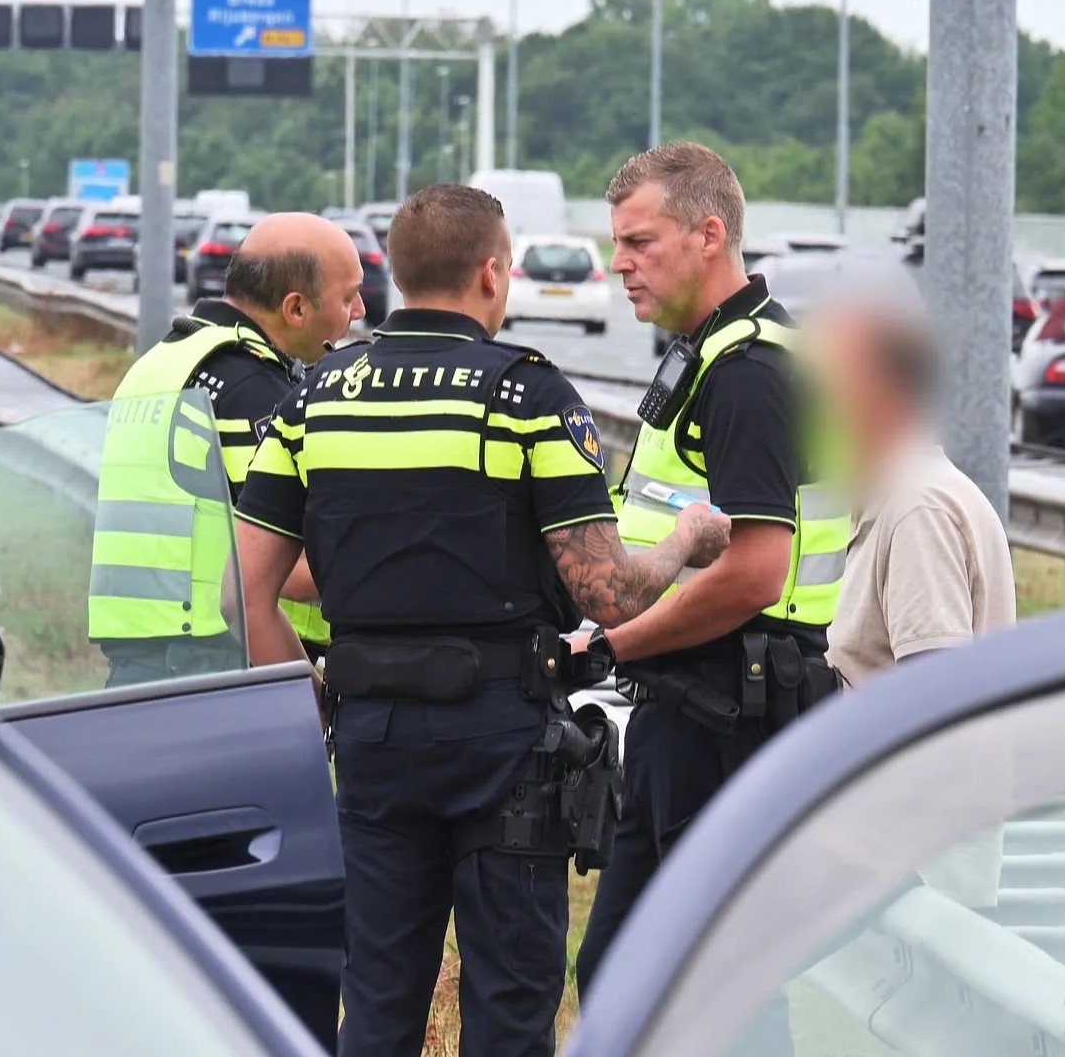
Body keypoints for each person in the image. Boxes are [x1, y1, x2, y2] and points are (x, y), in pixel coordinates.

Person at [233, 183, 730, 1057]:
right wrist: (687, 538)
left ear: (392, 273)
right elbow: (607, 594)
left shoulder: (313, 401)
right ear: (494, 275)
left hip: (373, 739)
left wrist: (303, 701)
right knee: (508, 1004)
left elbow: (251, 590)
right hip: (501, 742)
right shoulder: (526, 396)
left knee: (379, 999)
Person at [573, 142, 850, 1019]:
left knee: (710, 998)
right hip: (697, 711)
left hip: (730, 721)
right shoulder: (716, 352)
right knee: (642, 983)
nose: (619, 263)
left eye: (639, 242)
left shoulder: (747, 374)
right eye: (616, 243)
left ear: (709, 234)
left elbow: (756, 574)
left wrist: (612, 646)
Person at [814, 251, 1017, 908]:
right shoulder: (893, 495)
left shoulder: (916, 507)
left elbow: (931, 702)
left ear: (879, 389)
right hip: (902, 858)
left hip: (918, 870)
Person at [88, 212, 364, 688]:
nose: (359, 310)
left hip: (142, 664)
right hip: (218, 671)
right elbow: (289, 570)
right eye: (348, 296)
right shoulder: (252, 390)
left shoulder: (166, 361)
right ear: (296, 308)